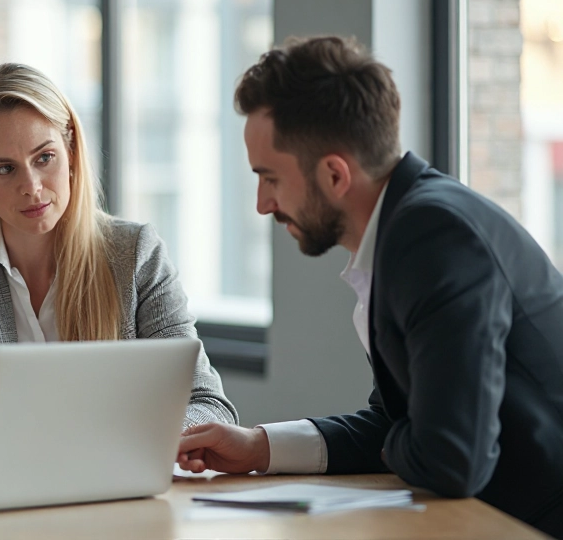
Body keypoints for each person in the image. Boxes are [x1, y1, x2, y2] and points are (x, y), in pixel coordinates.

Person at [176, 36, 563, 538]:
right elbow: (400, 424)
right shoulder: (409, 227)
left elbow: (451, 460)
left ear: (335, 174)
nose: (262, 204)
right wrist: (257, 446)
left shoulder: (433, 239)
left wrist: (408, 436)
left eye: (269, 178)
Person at [0, 63, 237, 430]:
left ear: (71, 150)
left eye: (44, 158)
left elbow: (207, 404)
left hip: (114, 488)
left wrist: (151, 439)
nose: (32, 187)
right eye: (4, 169)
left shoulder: (137, 253)